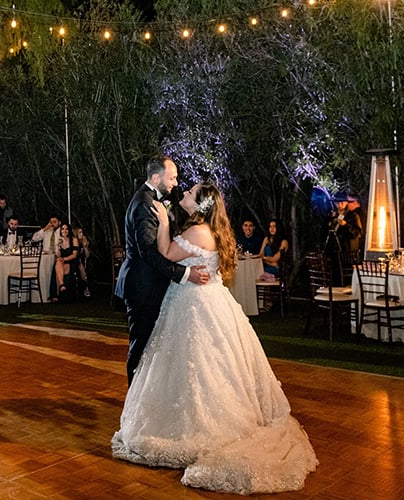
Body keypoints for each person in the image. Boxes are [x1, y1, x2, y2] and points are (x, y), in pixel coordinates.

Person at [112, 183, 318, 494]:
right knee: (208, 366)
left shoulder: (197, 232)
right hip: (208, 301)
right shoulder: (208, 228)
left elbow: (166, 252)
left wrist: (165, 224)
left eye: (191, 193)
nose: (186, 192)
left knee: (196, 365)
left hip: (193, 305)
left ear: (201, 205)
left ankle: (198, 425)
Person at [114, 155, 210, 386]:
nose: (176, 183)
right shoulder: (145, 204)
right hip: (142, 288)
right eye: (172, 178)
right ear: (156, 177)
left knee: (151, 347)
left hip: (152, 287)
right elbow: (149, 254)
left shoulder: (151, 201)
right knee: (140, 348)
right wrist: (186, 274)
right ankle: (134, 405)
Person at [51, 224, 79, 302]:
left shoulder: (74, 240)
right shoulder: (60, 240)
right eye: (62, 229)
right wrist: (58, 247)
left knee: (59, 263)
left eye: (66, 229)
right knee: (58, 263)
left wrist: (64, 259)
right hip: (62, 261)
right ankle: (61, 285)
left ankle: (60, 289)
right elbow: (59, 255)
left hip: (71, 261)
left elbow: (74, 255)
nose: (64, 231)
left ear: (69, 230)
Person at [73, 227, 91, 297]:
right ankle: (85, 286)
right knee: (80, 265)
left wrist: (85, 246)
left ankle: (85, 286)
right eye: (80, 232)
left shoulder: (84, 242)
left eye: (82, 232)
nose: (82, 234)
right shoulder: (74, 242)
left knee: (84, 265)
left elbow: (87, 255)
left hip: (83, 261)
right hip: (76, 261)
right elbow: (75, 255)